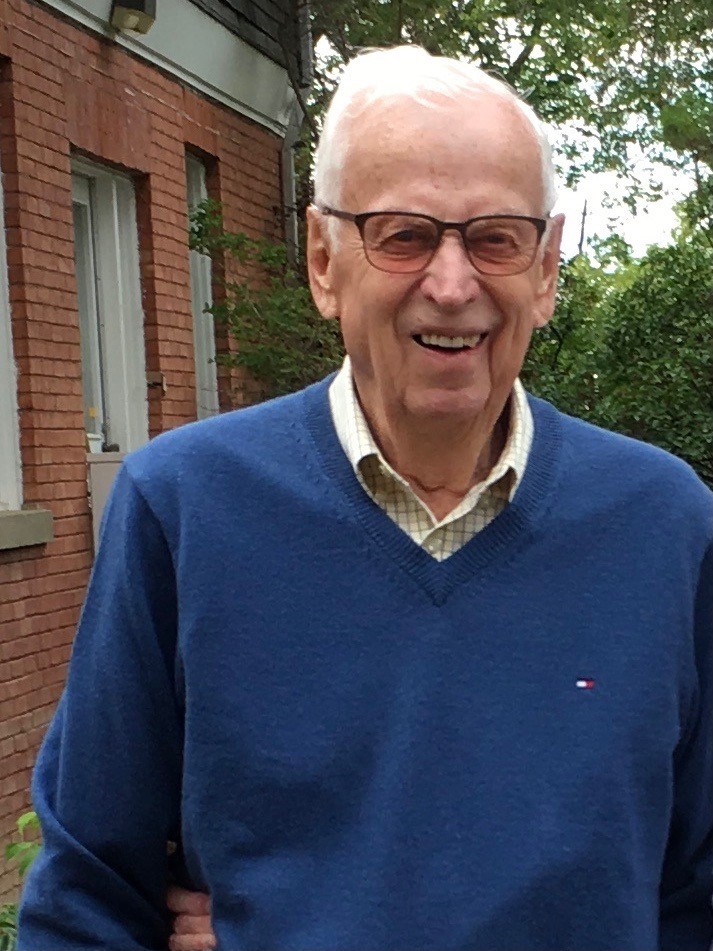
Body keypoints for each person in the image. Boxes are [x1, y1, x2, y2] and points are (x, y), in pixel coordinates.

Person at [18, 45, 713, 951]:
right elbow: (86, 901)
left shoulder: (664, 525)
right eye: (403, 234)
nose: (452, 285)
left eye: (495, 237)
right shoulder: (186, 509)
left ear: (545, 269)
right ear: (323, 260)